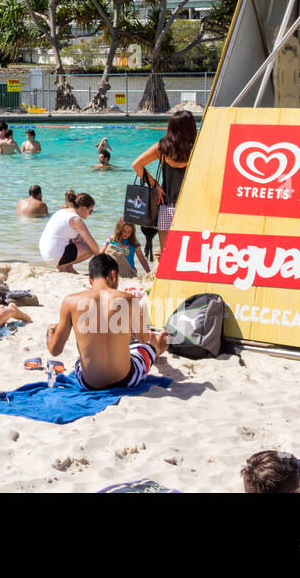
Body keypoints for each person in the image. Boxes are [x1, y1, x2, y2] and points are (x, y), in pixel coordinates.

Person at [46, 253, 169, 391]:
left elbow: (55, 350)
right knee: (148, 343)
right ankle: (157, 350)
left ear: (90, 280)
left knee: (83, 356)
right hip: (126, 380)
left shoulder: (70, 301)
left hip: (89, 384)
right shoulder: (128, 299)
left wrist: (51, 331)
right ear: (113, 275)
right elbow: (143, 338)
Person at [131, 111, 195, 255]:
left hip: (166, 205)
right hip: (190, 206)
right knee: (188, 252)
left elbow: (137, 165)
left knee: (167, 252)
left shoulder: (162, 147)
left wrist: (155, 186)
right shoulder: (197, 148)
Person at [38, 190, 99, 271]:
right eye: (90, 211)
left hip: (45, 254)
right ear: (83, 208)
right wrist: (98, 259)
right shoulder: (76, 220)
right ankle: (63, 266)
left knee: (78, 241)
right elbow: (94, 246)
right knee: (90, 249)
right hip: (54, 256)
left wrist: (78, 238)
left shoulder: (62, 212)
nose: (90, 214)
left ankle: (69, 267)